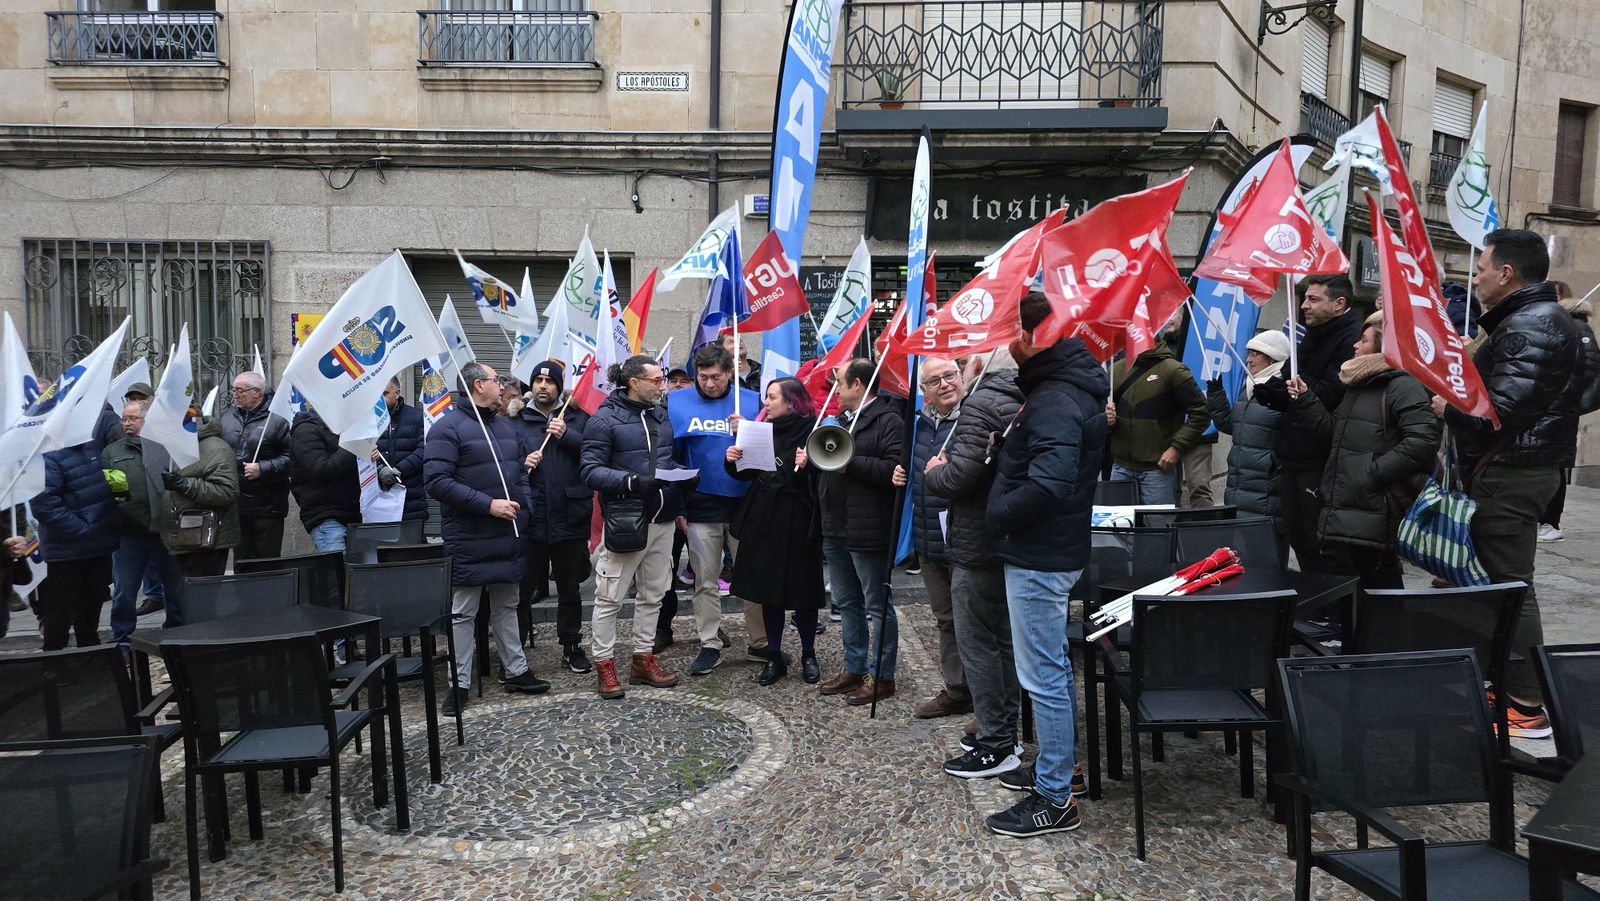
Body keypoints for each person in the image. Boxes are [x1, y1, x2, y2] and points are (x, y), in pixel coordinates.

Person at [1438, 229, 1583, 738]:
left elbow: (1496, 414)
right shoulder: (1531, 321)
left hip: (1511, 474)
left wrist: (1449, 406)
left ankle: (1526, 703)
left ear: (1506, 273)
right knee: (1498, 582)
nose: (1474, 278)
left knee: (1508, 587)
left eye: (1480, 269)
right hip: (1516, 469)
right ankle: (1506, 684)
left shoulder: (1531, 325)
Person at [981, 293, 1107, 837]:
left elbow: (1051, 483)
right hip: (1047, 548)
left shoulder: (1055, 396)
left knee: (1044, 675)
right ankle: (1062, 768)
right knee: (1050, 666)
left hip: (1039, 553)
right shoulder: (1062, 388)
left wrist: (997, 516)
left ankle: (1055, 796)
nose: (1004, 341)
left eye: (1011, 330)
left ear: (1032, 336)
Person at [924, 351, 1036, 779]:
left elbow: (959, 478)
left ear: (973, 367)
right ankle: (1005, 730)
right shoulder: (1017, 397)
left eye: (955, 369)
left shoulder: (981, 405)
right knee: (1002, 642)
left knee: (979, 644)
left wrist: (936, 471)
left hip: (976, 543)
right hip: (1004, 540)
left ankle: (996, 743)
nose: (950, 379)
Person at [425, 361, 552, 717]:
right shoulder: (446, 428)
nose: (503, 386)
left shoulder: (506, 428)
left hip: (508, 533)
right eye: (496, 381)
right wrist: (487, 505)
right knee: (463, 613)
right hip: (470, 536)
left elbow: (518, 475)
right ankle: (459, 683)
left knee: (507, 604)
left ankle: (516, 671)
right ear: (479, 385)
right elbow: (437, 482)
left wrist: (522, 506)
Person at [1286, 312, 1439, 589]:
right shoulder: (1359, 385)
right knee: (1362, 582)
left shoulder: (1402, 385)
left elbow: (1422, 440)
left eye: (1364, 340)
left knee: (1381, 584)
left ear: (1383, 347)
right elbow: (1335, 432)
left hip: (1376, 504)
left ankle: (1385, 632)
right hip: (1352, 502)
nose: (1356, 345)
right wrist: (1307, 398)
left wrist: (1371, 472)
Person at [580, 354, 687, 699]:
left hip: (663, 518)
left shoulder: (661, 415)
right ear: (634, 382)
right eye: (656, 380)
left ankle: (643, 658)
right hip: (626, 520)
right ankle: (605, 665)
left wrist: (683, 480)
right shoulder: (604, 420)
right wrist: (632, 482)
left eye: (663, 379)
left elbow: (666, 460)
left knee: (654, 593)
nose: (663, 385)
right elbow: (590, 471)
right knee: (609, 597)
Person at [1252, 274, 1363, 574]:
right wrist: (1271, 393)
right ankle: (1314, 602)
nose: (1304, 306)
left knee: (1322, 543)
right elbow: (1292, 382)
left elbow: (1328, 393)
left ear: (1339, 304)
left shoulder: (1352, 339)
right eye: (1304, 299)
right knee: (1298, 537)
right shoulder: (1311, 334)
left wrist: (1293, 389)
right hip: (1292, 455)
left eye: (1313, 299)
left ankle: (1333, 609)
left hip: (1321, 459)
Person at [669, 343, 765, 676]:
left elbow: (769, 457)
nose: (709, 384)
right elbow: (673, 456)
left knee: (752, 577)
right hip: (700, 503)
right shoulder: (677, 402)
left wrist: (748, 432)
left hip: (745, 502)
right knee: (705, 580)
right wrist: (679, 504)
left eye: (716, 377)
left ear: (729, 372)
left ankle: (760, 642)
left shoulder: (750, 402)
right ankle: (709, 642)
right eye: (703, 376)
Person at [724, 378, 825, 685]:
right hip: (764, 518)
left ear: (791, 401)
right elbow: (746, 473)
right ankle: (774, 655)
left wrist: (812, 464)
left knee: (803, 592)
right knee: (769, 592)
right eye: (766, 397)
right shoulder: (759, 429)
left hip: (798, 519)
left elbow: (827, 477)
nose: (765, 403)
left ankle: (809, 654)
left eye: (771, 397)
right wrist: (732, 460)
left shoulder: (813, 429)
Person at [816, 358, 904, 706]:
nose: (835, 389)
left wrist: (847, 462)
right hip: (836, 524)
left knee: (877, 604)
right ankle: (854, 667)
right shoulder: (839, 422)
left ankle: (882, 676)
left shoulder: (888, 420)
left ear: (856, 385)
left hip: (868, 527)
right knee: (847, 601)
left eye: (839, 382)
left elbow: (891, 468)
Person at [896, 356, 972, 719]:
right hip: (929, 538)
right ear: (924, 392)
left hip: (965, 540)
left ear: (962, 376)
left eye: (950, 376)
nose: (945, 384)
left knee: (974, 621)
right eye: (935, 381)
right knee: (946, 619)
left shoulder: (974, 418)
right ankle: (957, 690)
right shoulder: (922, 425)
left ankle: (985, 699)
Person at [512, 360, 594, 674]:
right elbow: (503, 461)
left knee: (570, 588)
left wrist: (567, 435)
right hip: (530, 518)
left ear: (560, 387)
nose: (543, 386)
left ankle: (571, 645)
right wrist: (522, 463)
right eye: (538, 381)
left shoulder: (576, 418)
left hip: (570, 516)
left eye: (549, 381)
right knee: (522, 589)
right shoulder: (516, 420)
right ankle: (515, 650)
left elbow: (593, 452)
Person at [1206, 330, 1290, 563]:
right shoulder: (1250, 388)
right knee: (1243, 563)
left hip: (1266, 494)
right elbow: (1233, 426)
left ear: (1272, 359)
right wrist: (1216, 395)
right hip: (1239, 491)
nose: (1249, 359)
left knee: (1268, 564)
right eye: (1249, 353)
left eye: (1256, 354)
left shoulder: (1283, 390)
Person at [101, 398, 179, 642]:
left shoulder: (166, 448)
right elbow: (111, 491)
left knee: (176, 588)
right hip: (130, 533)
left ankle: (177, 632)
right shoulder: (112, 452)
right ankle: (122, 638)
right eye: (125, 418)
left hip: (167, 530)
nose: (126, 423)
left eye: (133, 418)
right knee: (124, 589)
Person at [153, 411, 242, 624]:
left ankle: (202, 649)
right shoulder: (173, 446)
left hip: (204, 541)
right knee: (179, 601)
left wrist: (185, 485)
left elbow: (227, 491)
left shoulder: (215, 448)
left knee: (201, 605)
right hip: (176, 539)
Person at [32, 439, 120, 649]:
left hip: (97, 547)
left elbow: (106, 486)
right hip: (65, 553)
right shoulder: (49, 457)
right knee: (59, 613)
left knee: (91, 608)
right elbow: (44, 505)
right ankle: (55, 666)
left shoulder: (93, 448)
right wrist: (82, 529)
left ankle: (90, 657)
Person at [1105, 336, 1209, 506]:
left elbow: (1201, 413)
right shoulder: (1115, 370)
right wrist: (1107, 419)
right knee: (1119, 527)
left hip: (1157, 470)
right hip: (1121, 467)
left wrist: (1176, 448)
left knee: (1158, 527)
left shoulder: (1174, 370)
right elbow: (1099, 412)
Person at [1536, 280, 1600, 542]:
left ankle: (1550, 522)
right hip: (1549, 409)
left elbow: (1590, 372)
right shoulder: (1555, 323)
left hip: (1560, 412)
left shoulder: (1576, 326)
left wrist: (1570, 403)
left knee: (1555, 464)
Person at [218, 371, 292, 560]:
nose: (235, 394)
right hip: (236, 505)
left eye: (240, 391)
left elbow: (293, 458)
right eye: (233, 390)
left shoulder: (278, 419)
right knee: (242, 562)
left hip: (268, 507)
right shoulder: (227, 418)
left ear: (257, 392)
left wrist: (263, 468)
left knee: (266, 563)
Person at [121, 381, 167, 615]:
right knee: (126, 585)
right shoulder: (116, 447)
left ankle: (174, 617)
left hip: (163, 516)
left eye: (140, 398)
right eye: (132, 398)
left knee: (170, 573)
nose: (135, 402)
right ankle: (152, 596)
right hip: (133, 523)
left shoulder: (163, 435)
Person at [290, 406, 360, 553]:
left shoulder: (340, 426)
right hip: (327, 516)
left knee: (352, 573)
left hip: (351, 513)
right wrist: (353, 445)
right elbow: (321, 468)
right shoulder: (306, 430)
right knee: (335, 573)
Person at [372, 376, 428, 527]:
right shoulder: (369, 420)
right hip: (378, 502)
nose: (379, 399)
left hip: (411, 500)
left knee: (410, 548)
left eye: (384, 394)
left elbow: (425, 450)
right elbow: (362, 451)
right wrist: (379, 469)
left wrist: (399, 470)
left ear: (397, 393)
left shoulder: (417, 417)